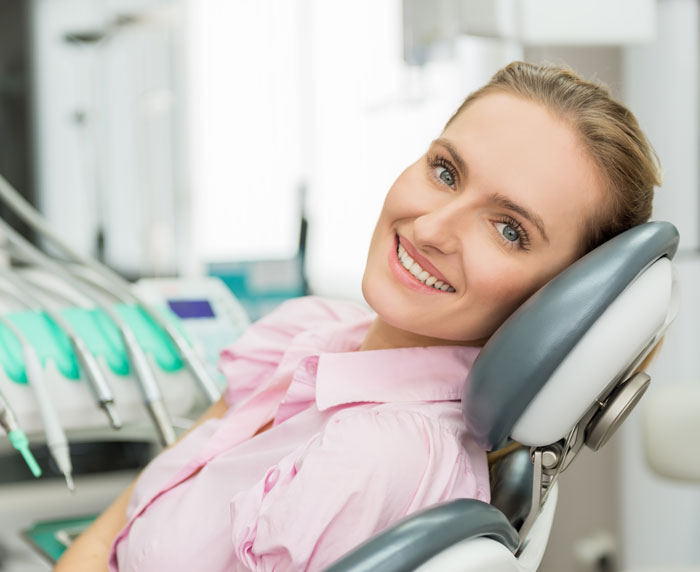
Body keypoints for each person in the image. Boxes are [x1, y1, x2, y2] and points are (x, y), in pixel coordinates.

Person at [55, 61, 660, 571]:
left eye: (509, 230)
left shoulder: (378, 456)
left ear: (555, 300)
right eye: (445, 172)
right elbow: (129, 512)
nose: (429, 228)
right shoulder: (308, 331)